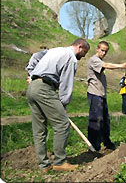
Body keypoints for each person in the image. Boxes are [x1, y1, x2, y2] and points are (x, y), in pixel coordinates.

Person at [26, 38, 90, 172]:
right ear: (79, 46)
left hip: (32, 87)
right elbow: (66, 85)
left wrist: (31, 74)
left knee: (39, 129)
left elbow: (35, 56)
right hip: (44, 89)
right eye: (84, 52)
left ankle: (44, 165)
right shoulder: (71, 58)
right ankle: (60, 161)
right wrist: (63, 105)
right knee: (62, 124)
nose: (83, 56)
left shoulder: (56, 50)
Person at [87, 41, 126, 152]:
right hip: (94, 94)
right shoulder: (94, 60)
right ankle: (94, 145)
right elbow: (106, 65)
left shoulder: (99, 60)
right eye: (102, 50)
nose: (103, 53)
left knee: (105, 120)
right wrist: (121, 66)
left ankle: (106, 141)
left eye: (106, 51)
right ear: (97, 49)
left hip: (101, 95)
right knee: (96, 120)